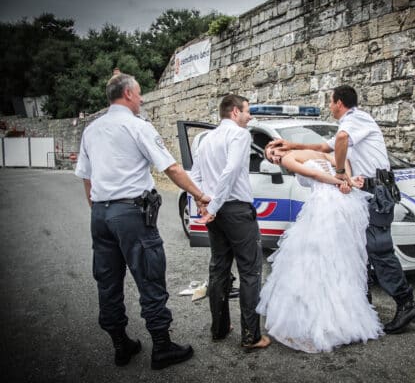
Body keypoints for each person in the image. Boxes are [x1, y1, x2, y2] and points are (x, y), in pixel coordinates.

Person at [75, 73, 210, 369]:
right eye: (139, 94)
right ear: (127, 95)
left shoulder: (92, 130)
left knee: (108, 281)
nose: (142, 99)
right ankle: (162, 346)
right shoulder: (138, 127)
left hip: (100, 213)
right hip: (131, 215)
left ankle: (121, 344)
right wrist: (200, 195)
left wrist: (99, 210)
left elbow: (86, 176)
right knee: (150, 276)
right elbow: (171, 168)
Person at [270, 85, 415, 334]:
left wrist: (340, 172)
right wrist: (290, 144)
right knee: (358, 247)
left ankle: (406, 303)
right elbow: (324, 148)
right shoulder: (349, 125)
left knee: (377, 247)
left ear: (339, 103)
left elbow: (340, 142)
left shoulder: (357, 119)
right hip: (366, 190)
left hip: (377, 191)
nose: (329, 107)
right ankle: (363, 303)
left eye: (330, 102)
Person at [256, 144, 383, 353]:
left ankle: (323, 319)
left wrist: (343, 182)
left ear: (279, 146)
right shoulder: (315, 153)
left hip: (325, 204)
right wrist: (347, 181)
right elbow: (341, 162)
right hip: (344, 202)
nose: (274, 159)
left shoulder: (290, 159)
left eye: (273, 153)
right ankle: (342, 318)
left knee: (315, 259)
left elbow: (315, 174)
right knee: (338, 258)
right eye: (270, 159)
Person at [191, 94, 270, 351]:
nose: (250, 116)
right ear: (235, 112)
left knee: (219, 268)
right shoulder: (239, 135)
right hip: (235, 210)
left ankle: (220, 329)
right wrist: (211, 206)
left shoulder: (206, 139)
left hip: (216, 214)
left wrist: (203, 203)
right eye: (247, 111)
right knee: (250, 271)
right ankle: (251, 336)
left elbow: (196, 176)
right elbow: (231, 171)